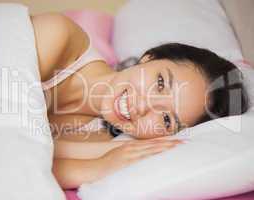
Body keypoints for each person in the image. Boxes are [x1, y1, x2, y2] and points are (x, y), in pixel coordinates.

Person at [30, 13, 248, 189]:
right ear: (149, 57)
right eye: (160, 82)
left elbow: (25, 163)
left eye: (166, 119)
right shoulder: (60, 39)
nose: (143, 106)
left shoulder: (105, 141)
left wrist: (98, 167)